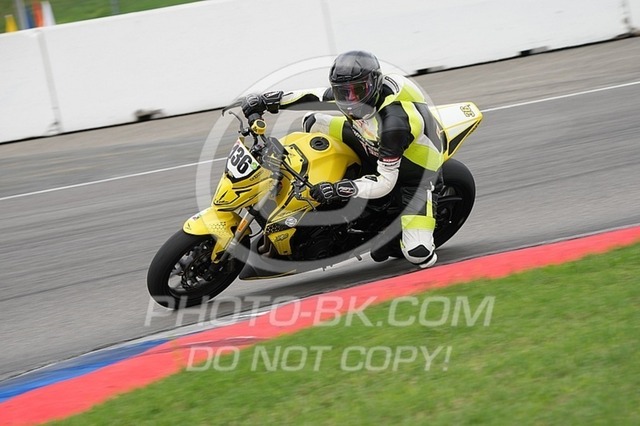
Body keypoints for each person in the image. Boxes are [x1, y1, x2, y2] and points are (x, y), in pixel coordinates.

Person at [241, 50, 443, 268]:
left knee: (419, 255)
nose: (350, 100)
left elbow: (386, 182)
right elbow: (315, 96)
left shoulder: (394, 124)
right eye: (342, 92)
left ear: (375, 83)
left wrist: (337, 189)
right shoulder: (354, 93)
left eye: (357, 91)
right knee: (312, 122)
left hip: (412, 175)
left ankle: (403, 226)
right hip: (369, 138)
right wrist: (267, 101)